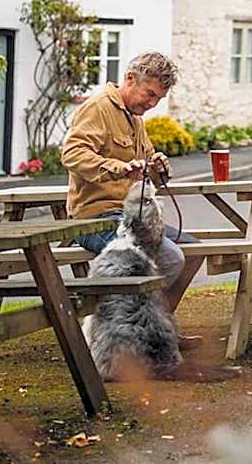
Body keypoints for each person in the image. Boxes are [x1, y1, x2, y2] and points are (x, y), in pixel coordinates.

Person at [61, 51, 200, 346]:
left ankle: (157, 330)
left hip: (131, 219)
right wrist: (118, 168)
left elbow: (148, 169)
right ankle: (130, 336)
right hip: (95, 219)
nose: (152, 104)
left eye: (158, 100)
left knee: (194, 251)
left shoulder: (136, 119)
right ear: (129, 79)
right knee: (171, 257)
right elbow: (71, 154)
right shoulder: (98, 108)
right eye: (149, 94)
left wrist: (159, 168)